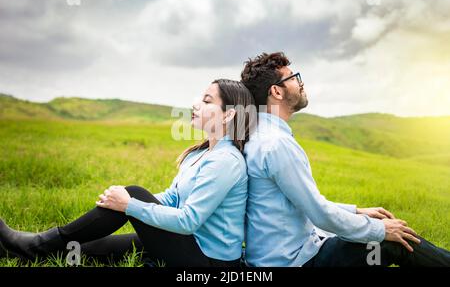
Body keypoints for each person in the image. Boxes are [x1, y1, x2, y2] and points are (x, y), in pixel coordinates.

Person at [0, 79, 256, 267]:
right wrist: (121, 204)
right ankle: (17, 251)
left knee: (133, 194)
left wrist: (130, 205)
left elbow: (188, 220)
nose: (195, 104)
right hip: (182, 240)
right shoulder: (199, 153)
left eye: (207, 101)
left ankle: (33, 244)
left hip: (208, 260)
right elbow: (172, 198)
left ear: (229, 114)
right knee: (86, 249)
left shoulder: (226, 161)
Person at [240, 52, 450, 267]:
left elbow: (302, 202)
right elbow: (320, 214)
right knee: (394, 242)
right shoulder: (276, 144)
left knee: (381, 234)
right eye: (293, 78)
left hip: (285, 255)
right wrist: (380, 230)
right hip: (298, 261)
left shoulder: (259, 136)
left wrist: (356, 211)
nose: (300, 83)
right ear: (276, 91)